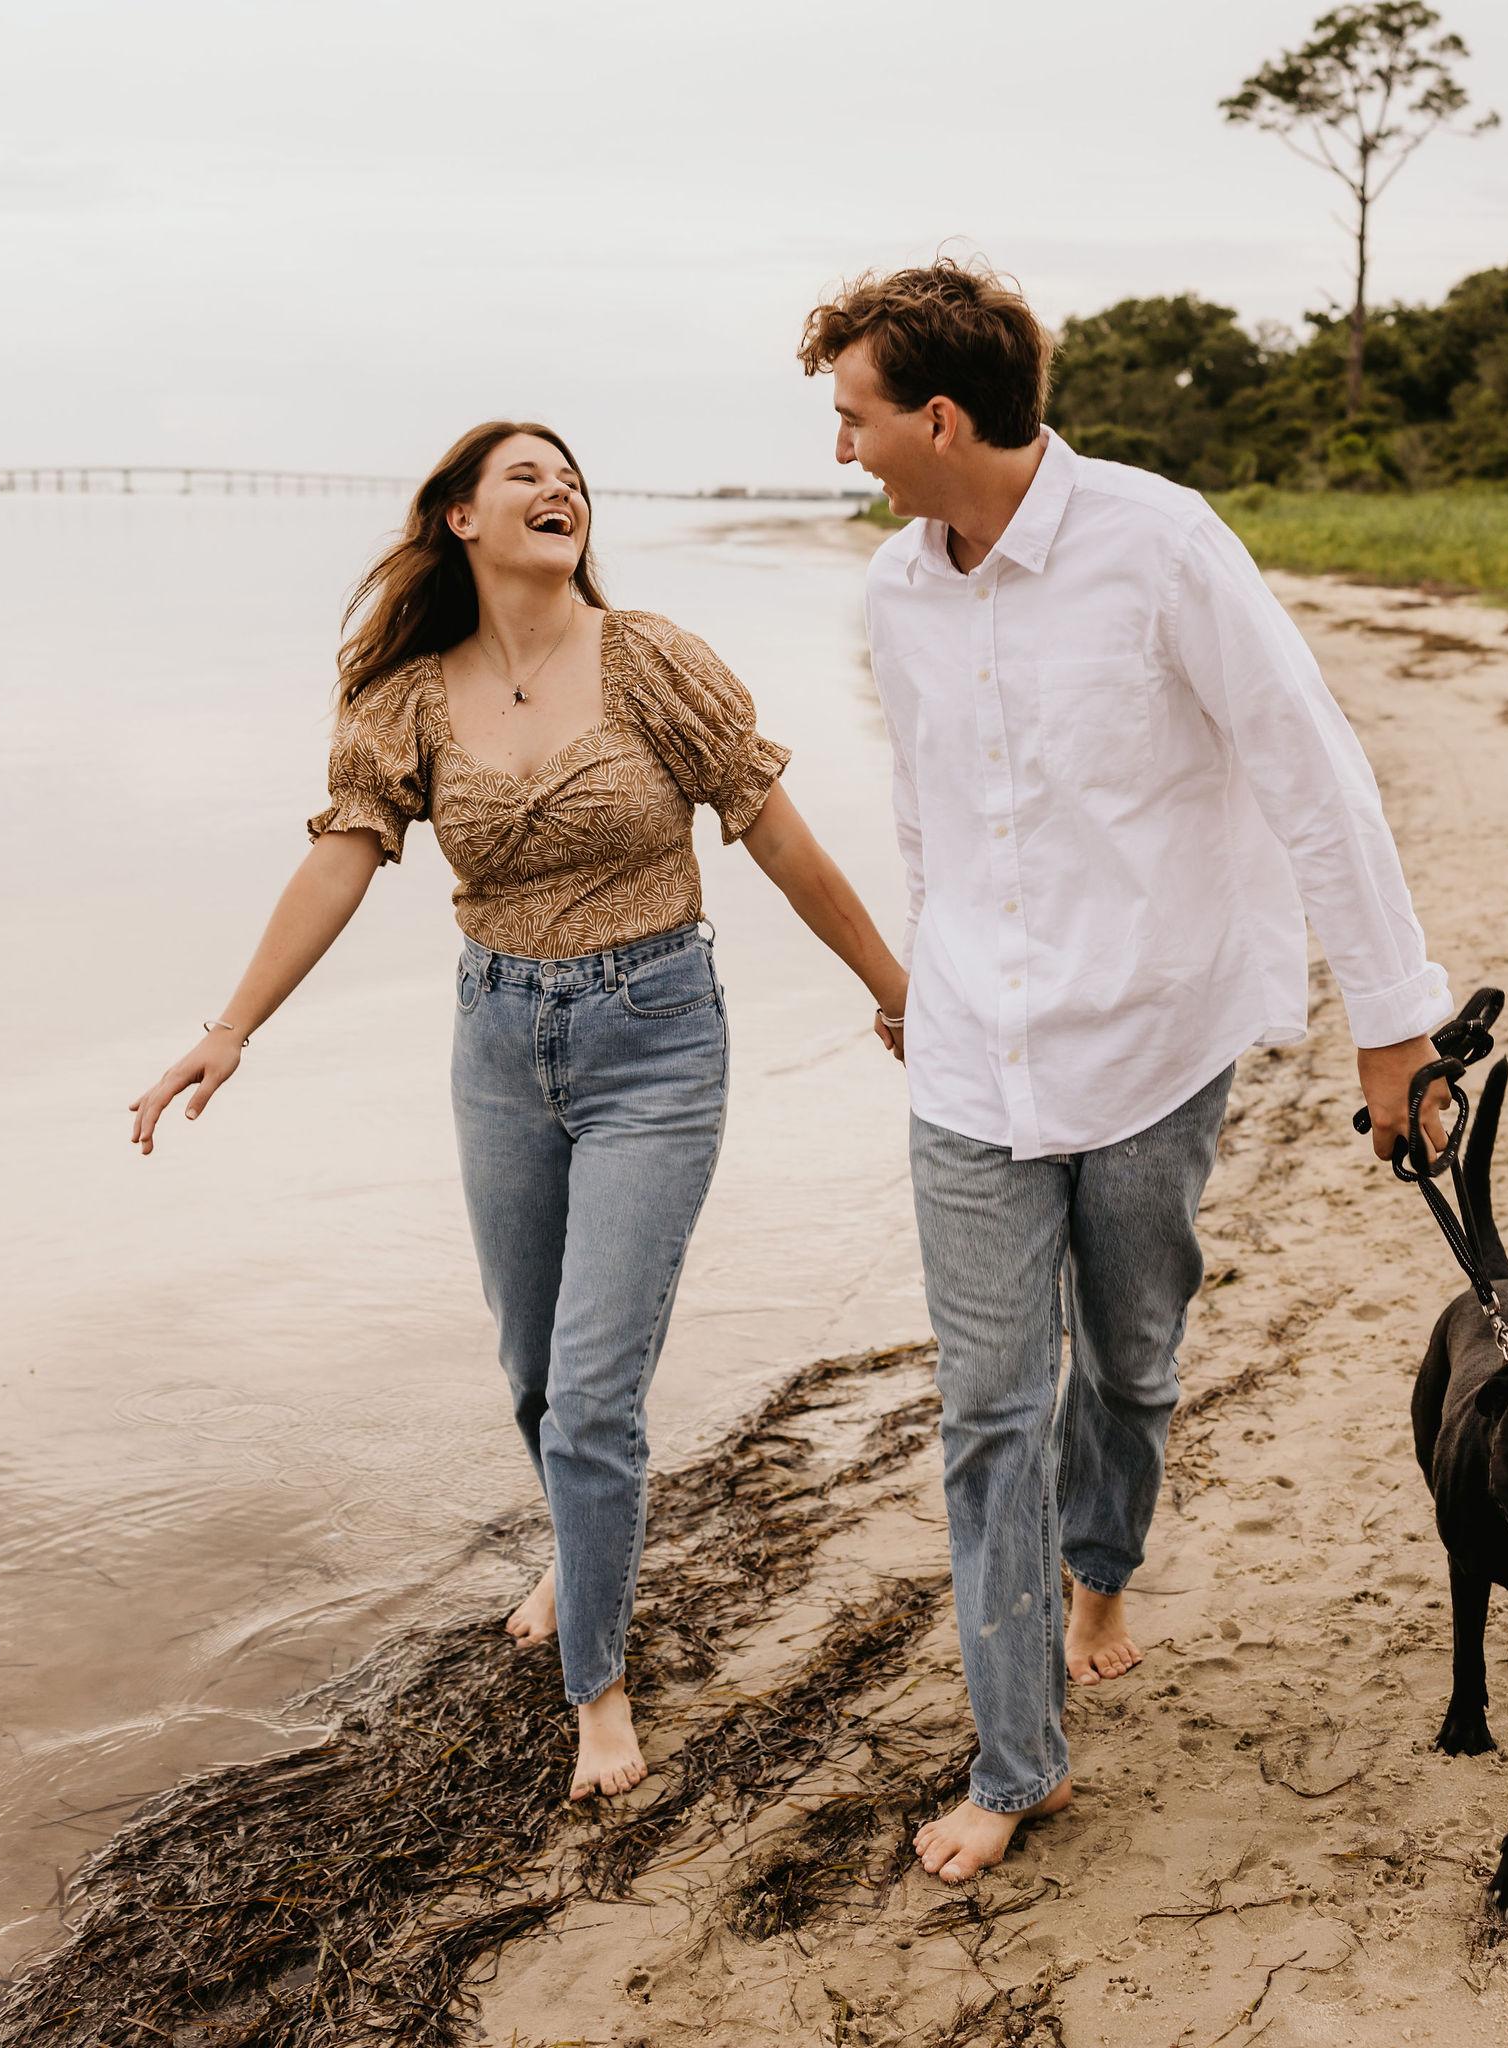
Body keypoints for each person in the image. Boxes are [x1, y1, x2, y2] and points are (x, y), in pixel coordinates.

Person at [128, 421, 909, 1800]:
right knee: (536, 1379)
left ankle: (599, 1690)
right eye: (522, 476)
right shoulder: (410, 697)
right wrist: (229, 1029)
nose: (559, 489)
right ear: (459, 522)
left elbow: (774, 832)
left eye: (569, 475)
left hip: (657, 1040)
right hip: (497, 1042)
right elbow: (341, 863)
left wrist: (897, 989)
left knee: (594, 1399)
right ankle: (583, 1546)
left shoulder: (653, 658)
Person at [799, 261, 1456, 1883]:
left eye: (855, 417)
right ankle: (1018, 1761)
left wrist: (1395, 1023)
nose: (841, 450)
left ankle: (1104, 1566)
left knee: (1137, 1362)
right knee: (987, 1412)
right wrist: (917, 970)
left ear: (937, 417)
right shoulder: (894, 588)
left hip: (1155, 1040)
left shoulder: (1163, 546)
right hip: (970, 1052)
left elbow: (1318, 777)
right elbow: (929, 806)